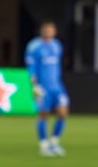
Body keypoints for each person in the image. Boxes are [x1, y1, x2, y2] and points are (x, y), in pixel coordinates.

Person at [25, 21, 69, 157]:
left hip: (57, 85)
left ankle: (54, 142)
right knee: (43, 114)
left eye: (52, 30)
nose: (50, 32)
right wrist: (34, 85)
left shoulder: (57, 45)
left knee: (63, 113)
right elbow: (31, 66)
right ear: (42, 31)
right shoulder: (34, 46)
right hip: (42, 87)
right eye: (47, 30)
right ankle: (44, 145)